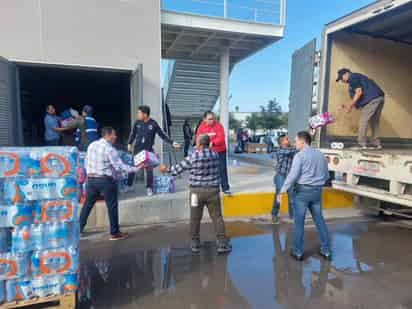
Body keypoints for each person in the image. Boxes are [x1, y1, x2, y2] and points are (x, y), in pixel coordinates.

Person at [159, 134, 232, 254]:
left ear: (198, 144)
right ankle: (222, 244)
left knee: (195, 218)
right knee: (217, 217)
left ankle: (195, 244)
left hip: (196, 193)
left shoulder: (193, 156)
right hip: (212, 191)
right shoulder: (215, 155)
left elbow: (177, 170)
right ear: (209, 144)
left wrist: (165, 169)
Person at [277, 131, 331, 261]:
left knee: (299, 223)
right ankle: (326, 251)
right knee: (319, 221)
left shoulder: (299, 156)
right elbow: (326, 175)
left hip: (302, 193)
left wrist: (282, 191)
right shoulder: (320, 154)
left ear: (302, 141)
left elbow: (292, 176)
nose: (294, 143)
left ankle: (298, 252)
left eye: (296, 141)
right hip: (317, 192)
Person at [79, 127, 140, 240]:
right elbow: (119, 166)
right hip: (105, 181)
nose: (115, 137)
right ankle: (114, 233)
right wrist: (136, 169)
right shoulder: (110, 149)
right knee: (112, 206)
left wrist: (89, 174)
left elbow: (86, 162)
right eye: (114, 135)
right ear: (107, 135)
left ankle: (78, 230)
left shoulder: (92, 145)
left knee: (87, 204)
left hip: (91, 180)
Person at [127, 105, 180, 196]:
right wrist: (129, 143)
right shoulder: (137, 123)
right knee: (132, 168)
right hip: (137, 149)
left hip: (148, 150)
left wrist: (172, 142)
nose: (138, 114)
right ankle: (129, 185)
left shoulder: (153, 124)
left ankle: (149, 188)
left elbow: (162, 135)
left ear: (145, 114)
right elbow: (133, 134)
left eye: (139, 113)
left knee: (149, 169)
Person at [336, 68, 385, 149]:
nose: (342, 81)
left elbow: (359, 92)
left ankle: (361, 143)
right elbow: (356, 97)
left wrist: (350, 105)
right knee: (374, 121)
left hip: (372, 99)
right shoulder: (357, 78)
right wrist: (346, 106)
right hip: (379, 98)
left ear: (346, 74)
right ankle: (376, 143)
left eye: (341, 78)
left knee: (363, 120)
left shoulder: (352, 78)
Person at [196, 111, 231, 195]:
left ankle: (225, 188)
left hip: (220, 150)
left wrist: (213, 143)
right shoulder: (201, 127)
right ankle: (209, 188)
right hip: (208, 151)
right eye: (209, 119)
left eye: (213, 118)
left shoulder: (218, 126)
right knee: (207, 170)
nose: (212, 120)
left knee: (222, 169)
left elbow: (221, 138)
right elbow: (198, 137)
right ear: (204, 119)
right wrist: (198, 146)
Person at [271, 134, 297, 223]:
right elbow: (292, 150)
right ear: (282, 142)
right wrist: (300, 145)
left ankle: (293, 216)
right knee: (279, 195)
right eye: (286, 139)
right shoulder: (280, 151)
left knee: (292, 197)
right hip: (280, 176)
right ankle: (274, 214)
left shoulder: (291, 149)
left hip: (290, 176)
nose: (288, 140)